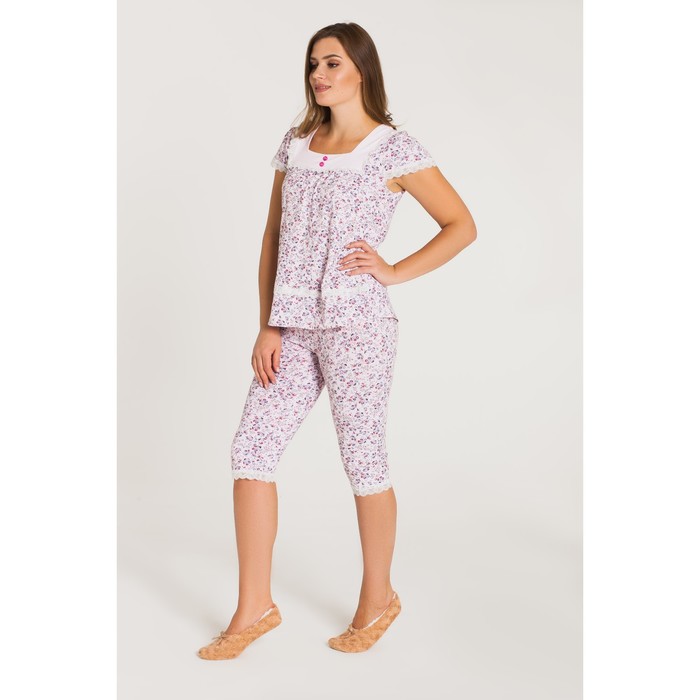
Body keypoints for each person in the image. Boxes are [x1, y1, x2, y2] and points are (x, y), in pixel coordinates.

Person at [197, 21, 477, 661]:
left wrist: (393, 270)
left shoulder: (394, 150)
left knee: (363, 459)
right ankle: (254, 607)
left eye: (332, 63)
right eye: (313, 64)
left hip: (359, 327)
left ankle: (378, 598)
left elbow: (461, 225)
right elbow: (273, 237)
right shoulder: (296, 144)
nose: (319, 75)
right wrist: (268, 323)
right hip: (291, 328)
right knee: (251, 451)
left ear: (361, 69)